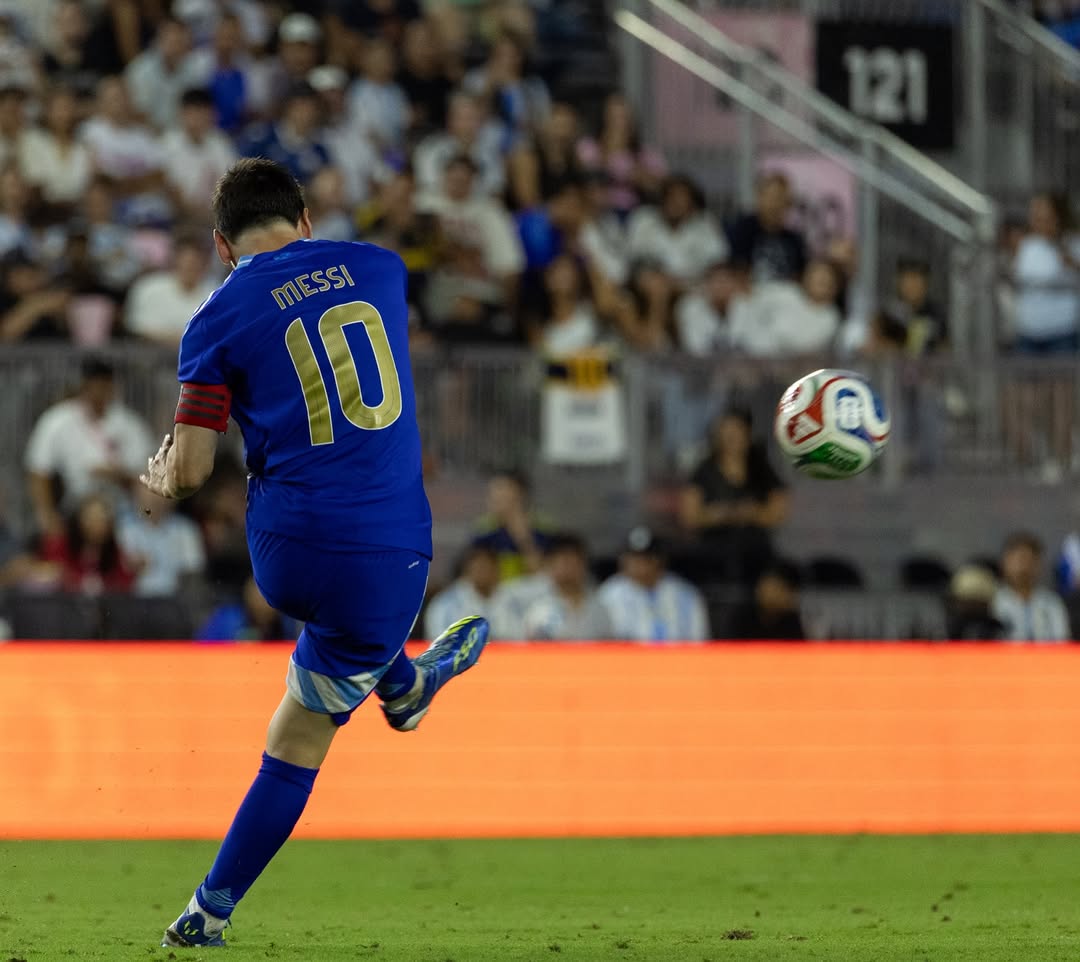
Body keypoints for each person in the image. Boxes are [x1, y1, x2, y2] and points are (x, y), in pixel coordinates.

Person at [139, 158, 489, 948]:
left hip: (285, 553)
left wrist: (164, 472)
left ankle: (405, 682)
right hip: (393, 557)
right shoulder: (380, 268)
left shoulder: (214, 318)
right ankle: (204, 915)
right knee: (299, 738)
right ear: (303, 218)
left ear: (223, 246)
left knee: (343, 648)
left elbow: (190, 474)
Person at [24, 356, 155, 535]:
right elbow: (38, 469)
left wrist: (119, 475)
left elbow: (148, 477)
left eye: (104, 386)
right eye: (94, 386)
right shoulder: (58, 420)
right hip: (74, 508)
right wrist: (47, 515)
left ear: (112, 387)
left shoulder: (129, 423)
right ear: (84, 386)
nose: (99, 392)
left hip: (123, 511)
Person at [678, 410, 790, 585]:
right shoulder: (704, 471)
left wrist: (752, 513)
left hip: (756, 556)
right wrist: (718, 515)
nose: (731, 438)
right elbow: (689, 516)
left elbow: (777, 512)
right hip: (712, 556)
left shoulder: (762, 469)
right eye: (726, 432)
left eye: (737, 431)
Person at [597, 527, 709, 641]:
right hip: (628, 658)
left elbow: (700, 640)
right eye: (634, 558)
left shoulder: (685, 594)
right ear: (623, 560)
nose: (639, 564)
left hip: (677, 657)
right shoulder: (609, 594)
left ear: (659, 559)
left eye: (646, 558)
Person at [123, 233, 216, 347]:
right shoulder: (148, 286)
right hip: (148, 354)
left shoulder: (217, 293)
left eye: (196, 262)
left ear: (206, 264)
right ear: (174, 260)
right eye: (186, 261)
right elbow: (138, 329)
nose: (191, 266)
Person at [161, 88, 238, 222]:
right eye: (194, 113)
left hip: (214, 217)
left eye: (204, 113)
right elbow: (170, 191)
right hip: (178, 217)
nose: (199, 119)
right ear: (182, 114)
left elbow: (233, 187)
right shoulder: (167, 144)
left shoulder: (220, 143)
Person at [36, 492, 136, 595]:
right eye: (91, 518)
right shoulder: (61, 544)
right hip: (63, 604)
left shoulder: (114, 552)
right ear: (80, 520)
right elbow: (47, 573)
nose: (97, 524)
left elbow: (124, 585)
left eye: (102, 519)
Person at [118, 485, 206, 597]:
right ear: (137, 495)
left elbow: (194, 572)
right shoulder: (124, 528)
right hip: (132, 602)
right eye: (148, 491)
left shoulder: (185, 530)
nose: (154, 498)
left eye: (159, 491)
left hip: (174, 602)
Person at [521, 533, 613, 640]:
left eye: (575, 562)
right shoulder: (540, 611)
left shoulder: (599, 608)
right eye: (564, 562)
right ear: (550, 565)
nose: (569, 568)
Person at [727, 172, 808, 284]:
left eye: (781, 199)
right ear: (759, 198)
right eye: (771, 197)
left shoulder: (794, 240)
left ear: (788, 205)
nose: (775, 204)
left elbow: (800, 275)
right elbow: (735, 268)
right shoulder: (741, 229)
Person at [471, 469, 552, 580]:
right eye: (491, 491)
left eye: (500, 489)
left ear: (520, 493)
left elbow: (542, 576)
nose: (494, 496)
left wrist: (523, 538)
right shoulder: (484, 531)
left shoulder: (543, 528)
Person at [990, 532, 1070, 642]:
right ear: (1005, 562)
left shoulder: (1052, 602)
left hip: (1046, 658)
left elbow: (1062, 641)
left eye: (1028, 560)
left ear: (1038, 564)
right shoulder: (993, 602)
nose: (1023, 567)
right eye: (1017, 560)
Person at [423, 543, 501, 640]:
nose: (483, 572)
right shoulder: (446, 603)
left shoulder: (508, 598)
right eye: (479, 567)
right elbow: (437, 643)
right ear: (467, 569)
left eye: (488, 567)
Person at [198, 575, 300, 642]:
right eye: (258, 596)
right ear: (247, 595)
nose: (262, 603)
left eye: (266, 597)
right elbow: (200, 649)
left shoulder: (290, 625)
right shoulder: (226, 621)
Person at [728, 563, 806, 641]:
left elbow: (799, 649)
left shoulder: (791, 621)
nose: (771, 593)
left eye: (780, 589)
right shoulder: (741, 617)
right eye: (770, 586)